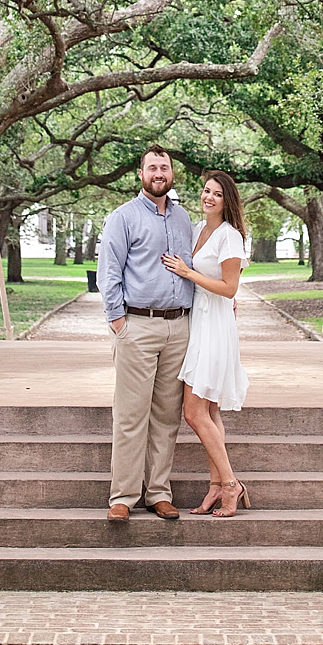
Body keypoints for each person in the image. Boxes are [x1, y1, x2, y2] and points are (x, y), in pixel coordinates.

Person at [97, 144, 195, 521]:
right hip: (136, 325)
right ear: (141, 174)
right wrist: (118, 321)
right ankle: (122, 496)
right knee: (130, 414)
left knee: (167, 416)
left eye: (164, 167)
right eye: (152, 167)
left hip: (178, 328)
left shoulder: (184, 218)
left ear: (172, 174)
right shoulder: (122, 217)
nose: (159, 173)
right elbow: (109, 273)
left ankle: (158, 493)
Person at [162, 169, 251, 518]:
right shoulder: (199, 230)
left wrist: (188, 273)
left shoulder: (229, 237)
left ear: (227, 200)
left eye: (216, 193)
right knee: (210, 411)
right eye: (205, 191)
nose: (208, 197)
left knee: (193, 411)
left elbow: (230, 288)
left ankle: (230, 484)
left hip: (214, 326)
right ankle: (216, 487)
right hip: (197, 320)